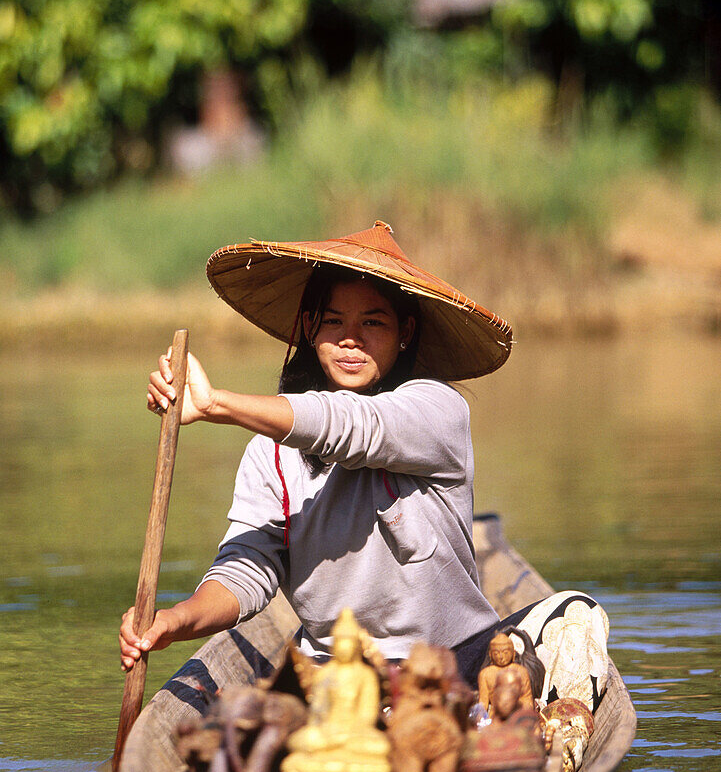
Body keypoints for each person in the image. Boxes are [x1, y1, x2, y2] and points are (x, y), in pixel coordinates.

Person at [119, 221, 608, 705]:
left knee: (575, 615)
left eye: (372, 323)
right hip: (342, 683)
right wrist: (174, 621)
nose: (350, 340)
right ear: (311, 329)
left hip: (457, 663)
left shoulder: (436, 411)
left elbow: (356, 426)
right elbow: (245, 572)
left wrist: (216, 405)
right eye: (333, 322)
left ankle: (536, 739)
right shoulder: (270, 452)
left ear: (404, 332)